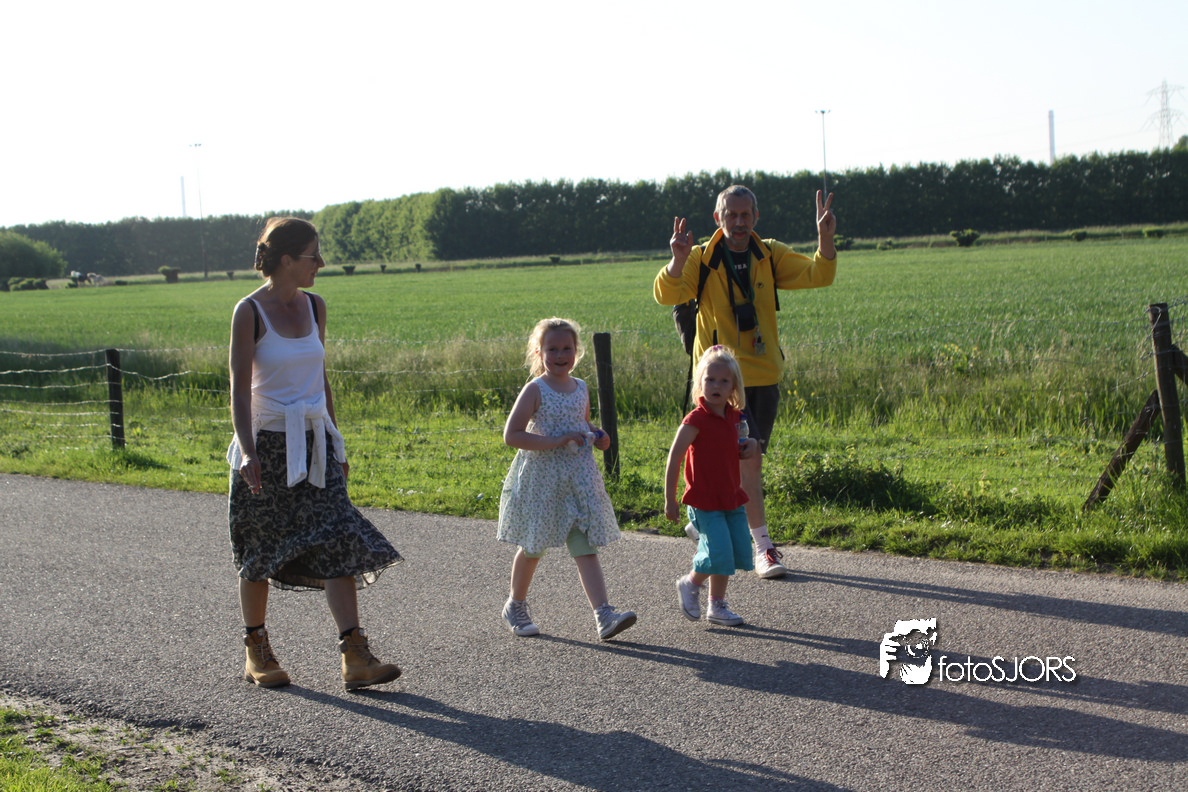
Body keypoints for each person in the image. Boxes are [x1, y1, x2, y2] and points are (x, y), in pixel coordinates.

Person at [227, 216, 403, 691]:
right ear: (287, 260)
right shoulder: (249, 312)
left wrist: (335, 439)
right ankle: (257, 650)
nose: (320, 263)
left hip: (315, 442)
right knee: (260, 548)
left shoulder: (316, 306)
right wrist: (248, 452)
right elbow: (239, 390)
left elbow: (319, 379)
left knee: (337, 536)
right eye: (313, 255)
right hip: (266, 445)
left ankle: (355, 656)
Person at [654, 185, 837, 579]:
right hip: (719, 383)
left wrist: (824, 238)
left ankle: (706, 522)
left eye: (745, 215)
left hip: (761, 375)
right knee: (747, 460)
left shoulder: (769, 254)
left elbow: (819, 274)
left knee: (734, 464)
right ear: (717, 218)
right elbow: (665, 293)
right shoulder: (701, 258)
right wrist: (676, 260)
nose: (739, 223)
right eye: (731, 215)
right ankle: (763, 549)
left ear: (756, 217)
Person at [497, 317, 637, 641]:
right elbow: (512, 435)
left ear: (577, 350)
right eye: (553, 349)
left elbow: (582, 423)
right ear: (539, 352)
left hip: (578, 479)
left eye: (567, 348)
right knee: (533, 545)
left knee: (584, 543)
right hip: (543, 481)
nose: (560, 355)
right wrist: (556, 441)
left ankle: (604, 614)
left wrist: (598, 435)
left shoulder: (581, 387)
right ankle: (515, 606)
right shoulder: (535, 389)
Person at [665, 346, 759, 626]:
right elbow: (674, 458)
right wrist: (670, 499)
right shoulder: (696, 420)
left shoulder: (735, 417)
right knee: (719, 551)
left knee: (733, 550)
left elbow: (743, 445)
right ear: (700, 382)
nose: (716, 386)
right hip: (704, 499)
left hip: (730, 495)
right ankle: (690, 583)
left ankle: (716, 605)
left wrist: (752, 445)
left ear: (734, 387)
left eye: (723, 381)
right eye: (710, 379)